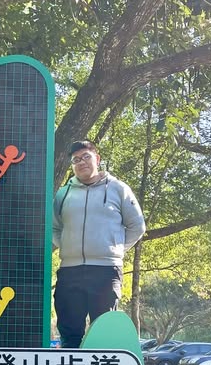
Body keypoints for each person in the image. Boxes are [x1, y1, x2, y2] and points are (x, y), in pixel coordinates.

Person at [53, 140, 145, 348]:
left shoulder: (118, 189)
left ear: (97, 158)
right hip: (70, 270)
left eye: (86, 156)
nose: (81, 162)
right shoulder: (63, 193)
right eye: (76, 160)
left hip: (106, 271)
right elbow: (54, 228)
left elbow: (137, 226)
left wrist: (114, 249)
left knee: (103, 332)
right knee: (69, 332)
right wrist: (68, 247)